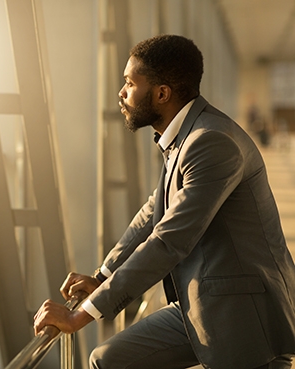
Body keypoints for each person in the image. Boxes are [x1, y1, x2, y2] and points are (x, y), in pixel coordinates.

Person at [33, 35, 295, 369]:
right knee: (108, 359)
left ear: (161, 93)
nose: (121, 93)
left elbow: (170, 240)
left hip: (245, 316)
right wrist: (102, 275)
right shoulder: (185, 137)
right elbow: (151, 213)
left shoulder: (210, 142)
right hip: (203, 304)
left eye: (130, 83)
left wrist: (82, 314)